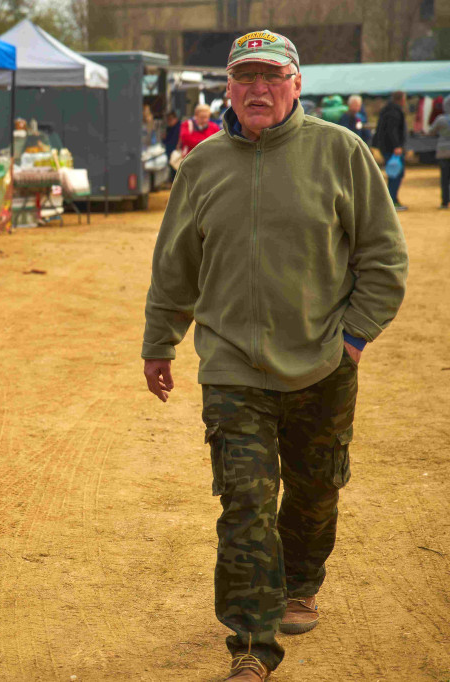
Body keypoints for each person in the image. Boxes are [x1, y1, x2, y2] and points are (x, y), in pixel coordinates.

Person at [141, 30, 407, 682]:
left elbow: (384, 258)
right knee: (245, 504)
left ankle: (303, 579)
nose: (257, 89)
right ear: (227, 88)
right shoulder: (201, 166)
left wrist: (353, 338)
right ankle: (253, 647)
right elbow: (175, 266)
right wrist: (159, 341)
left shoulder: (341, 154)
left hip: (323, 362)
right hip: (233, 366)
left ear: (296, 84)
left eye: (271, 76)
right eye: (245, 77)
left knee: (315, 493)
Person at [372, 90, 408, 210]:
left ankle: (392, 200)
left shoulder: (387, 109)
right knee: (395, 173)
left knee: (395, 173)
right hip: (392, 148)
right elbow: (392, 130)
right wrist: (396, 146)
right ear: (401, 99)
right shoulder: (394, 112)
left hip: (385, 146)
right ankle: (391, 201)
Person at [431, 95, 450, 208]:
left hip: (443, 152)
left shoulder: (441, 119)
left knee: (444, 178)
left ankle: (444, 202)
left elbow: (431, 131)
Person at [164, 111, 181, 181]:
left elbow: (180, 137)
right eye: (168, 119)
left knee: (175, 165)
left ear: (175, 119)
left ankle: (175, 180)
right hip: (169, 148)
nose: (169, 121)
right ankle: (172, 179)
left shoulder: (179, 127)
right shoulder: (169, 128)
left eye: (170, 119)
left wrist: (178, 146)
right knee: (171, 165)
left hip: (175, 149)